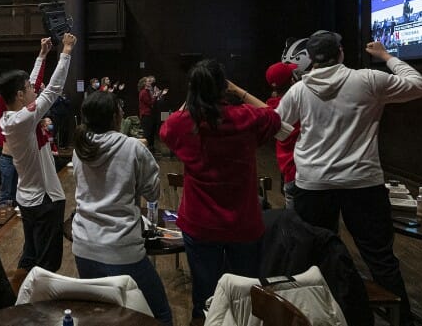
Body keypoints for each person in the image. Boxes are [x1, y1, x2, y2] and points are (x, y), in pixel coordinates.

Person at [273, 31, 422, 326]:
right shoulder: (368, 79)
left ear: (311, 59)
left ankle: (320, 318)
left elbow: (278, 128)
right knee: (380, 257)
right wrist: (387, 57)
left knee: (312, 256)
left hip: (313, 182)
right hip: (362, 182)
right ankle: (401, 321)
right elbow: (420, 85)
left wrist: (308, 134)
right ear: (341, 53)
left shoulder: (299, 90)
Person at [160, 59, 281, 321]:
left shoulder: (184, 123)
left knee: (204, 295)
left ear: (194, 89)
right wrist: (239, 91)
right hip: (244, 222)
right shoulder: (246, 117)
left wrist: (192, 97)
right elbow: (274, 115)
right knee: (246, 293)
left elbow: (166, 129)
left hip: (200, 223)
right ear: (223, 87)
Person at [72, 90, 173, 325]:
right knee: (160, 315)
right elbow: (152, 192)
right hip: (121, 247)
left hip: (84, 245)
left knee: (101, 313)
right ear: (115, 117)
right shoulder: (133, 147)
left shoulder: (80, 148)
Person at [0, 33, 77, 279]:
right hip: (44, 202)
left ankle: (21, 299)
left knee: (30, 255)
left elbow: (29, 84)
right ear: (20, 96)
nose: (34, 89)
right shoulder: (23, 119)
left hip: (29, 198)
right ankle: (38, 309)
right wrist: (65, 52)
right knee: (47, 266)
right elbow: (52, 90)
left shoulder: (12, 115)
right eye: (29, 90)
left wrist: (42, 56)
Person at [263, 61, 299, 208]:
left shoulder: (270, 106)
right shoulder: (299, 101)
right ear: (292, 81)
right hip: (305, 171)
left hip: (287, 170)